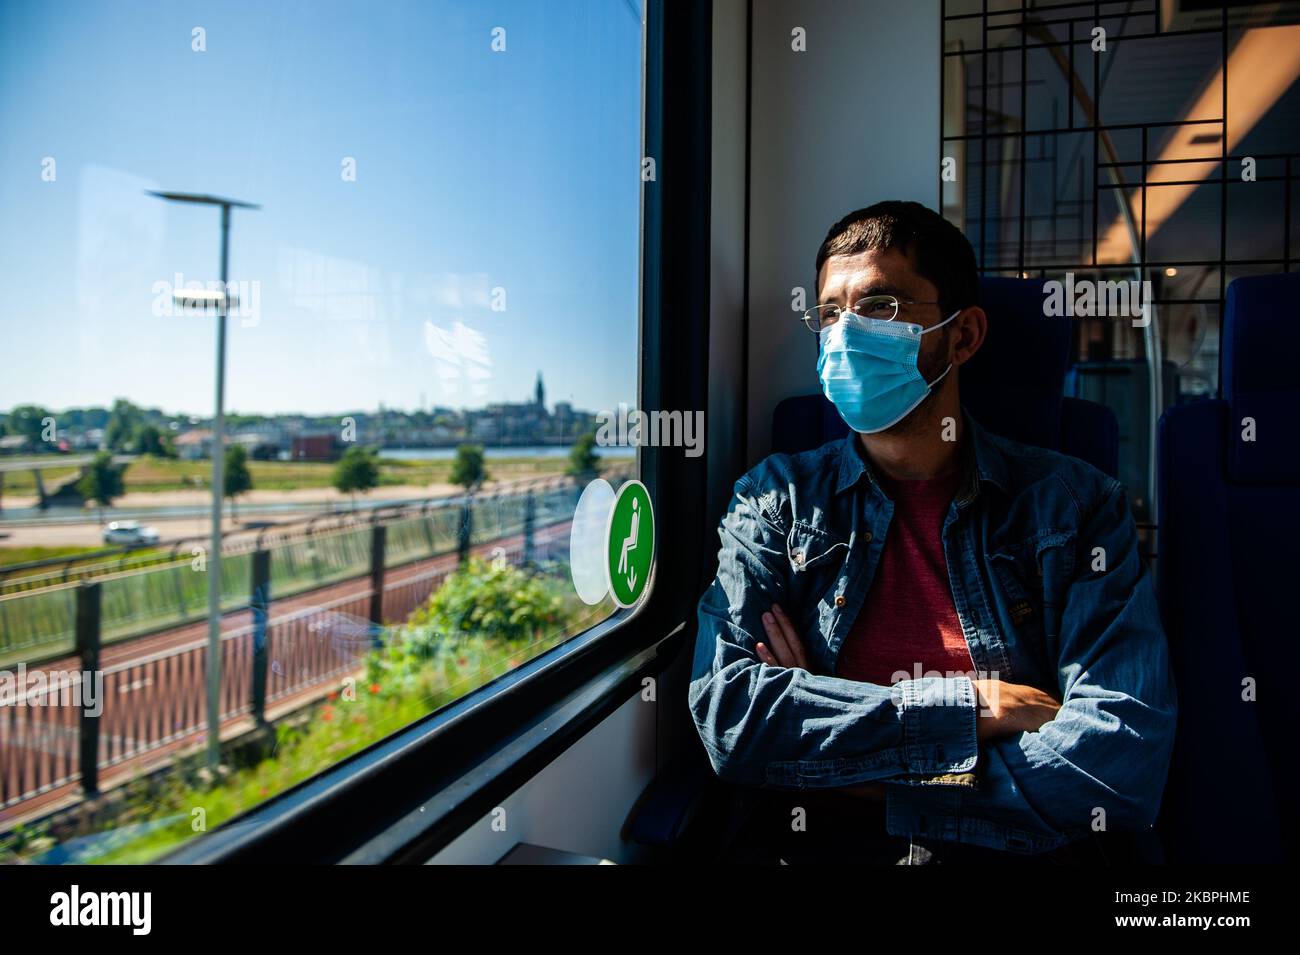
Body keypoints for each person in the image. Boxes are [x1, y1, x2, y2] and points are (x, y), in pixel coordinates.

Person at [688, 200, 1177, 863]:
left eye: (882, 307)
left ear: (964, 335)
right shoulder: (774, 499)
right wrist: (969, 708)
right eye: (830, 313)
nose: (846, 334)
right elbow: (732, 718)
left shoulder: (1076, 507)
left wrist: (841, 756)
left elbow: (1118, 762)